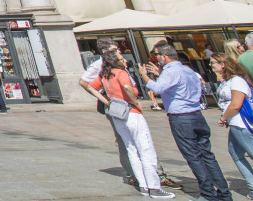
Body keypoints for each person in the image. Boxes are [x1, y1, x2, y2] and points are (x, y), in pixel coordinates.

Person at [143, 43, 231, 201]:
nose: (156, 58)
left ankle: (208, 194)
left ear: (164, 56)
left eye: (157, 55)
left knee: (193, 156)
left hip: (181, 117)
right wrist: (161, 73)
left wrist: (144, 75)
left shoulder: (171, 71)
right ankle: (224, 193)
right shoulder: (187, 70)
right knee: (207, 155)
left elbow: (157, 88)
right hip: (196, 114)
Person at [91, 51, 172, 199]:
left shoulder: (104, 75)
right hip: (131, 112)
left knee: (131, 149)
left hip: (117, 113)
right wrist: (134, 102)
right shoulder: (121, 73)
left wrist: (107, 101)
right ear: (115, 61)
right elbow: (127, 87)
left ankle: (142, 185)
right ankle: (154, 187)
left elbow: (90, 87)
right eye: (122, 59)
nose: (125, 61)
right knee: (146, 149)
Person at [80, 38, 138, 187]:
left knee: (137, 137)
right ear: (105, 52)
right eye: (114, 50)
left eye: (117, 50)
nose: (118, 52)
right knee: (124, 138)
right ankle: (132, 172)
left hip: (130, 106)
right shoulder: (98, 65)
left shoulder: (118, 63)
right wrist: (106, 100)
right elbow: (84, 82)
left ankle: (151, 171)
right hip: (117, 106)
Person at [212, 53, 253, 198]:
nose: (210, 65)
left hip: (241, 123)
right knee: (235, 153)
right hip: (235, 122)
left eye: (213, 63)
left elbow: (236, 104)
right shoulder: (228, 81)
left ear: (223, 64)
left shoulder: (236, 81)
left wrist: (223, 118)